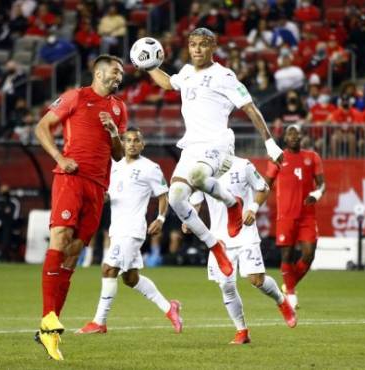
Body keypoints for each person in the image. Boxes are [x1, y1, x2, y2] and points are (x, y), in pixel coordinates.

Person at [141, 27, 283, 279]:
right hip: (192, 147)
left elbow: (250, 108)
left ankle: (232, 204)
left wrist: (269, 143)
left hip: (218, 145)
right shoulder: (185, 73)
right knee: (175, 198)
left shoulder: (224, 75)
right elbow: (166, 82)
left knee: (197, 178)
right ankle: (215, 245)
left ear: (213, 47)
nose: (197, 48)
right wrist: (150, 64)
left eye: (203, 44)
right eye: (193, 44)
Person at [33, 54, 126, 361]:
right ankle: (48, 319)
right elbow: (42, 127)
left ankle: (49, 331)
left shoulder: (119, 107)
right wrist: (60, 159)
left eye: (121, 73)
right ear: (98, 73)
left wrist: (114, 132)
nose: (119, 76)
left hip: (98, 187)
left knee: (73, 254)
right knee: (60, 238)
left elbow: (119, 154)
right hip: (71, 177)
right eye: (115, 71)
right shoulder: (75, 96)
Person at [76, 128, 182, 335]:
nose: (132, 144)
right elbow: (114, 194)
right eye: (128, 140)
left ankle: (99, 322)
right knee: (130, 278)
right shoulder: (114, 166)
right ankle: (170, 308)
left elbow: (163, 195)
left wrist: (160, 218)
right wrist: (103, 198)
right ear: (123, 144)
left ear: (143, 145)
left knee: (108, 269)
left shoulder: (151, 168)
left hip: (133, 229)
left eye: (137, 140)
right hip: (117, 228)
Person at [188, 156, 297, 344]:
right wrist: (189, 219)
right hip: (219, 239)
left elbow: (263, 188)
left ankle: (281, 300)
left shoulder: (243, 165)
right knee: (226, 286)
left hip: (245, 233)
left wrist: (253, 209)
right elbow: (196, 202)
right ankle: (242, 331)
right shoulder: (201, 170)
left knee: (257, 280)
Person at [265, 125, 325, 309]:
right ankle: (290, 294)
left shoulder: (312, 157)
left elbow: (322, 184)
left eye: (297, 134)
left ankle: (288, 286)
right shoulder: (278, 158)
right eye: (291, 134)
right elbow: (265, 184)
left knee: (309, 254)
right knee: (287, 255)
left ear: (302, 138)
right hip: (286, 216)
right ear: (284, 138)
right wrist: (253, 205)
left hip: (307, 215)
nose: (294, 137)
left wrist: (317, 194)